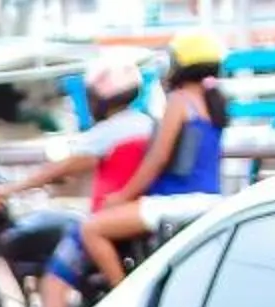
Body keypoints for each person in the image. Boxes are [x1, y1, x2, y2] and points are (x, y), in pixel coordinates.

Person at [0, 53, 154, 307]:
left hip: (105, 221)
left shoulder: (108, 132)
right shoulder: (145, 124)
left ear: (101, 96)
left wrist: (11, 188)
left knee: (54, 284)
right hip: (130, 219)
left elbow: (63, 168)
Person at [82, 30, 231, 291]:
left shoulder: (179, 100)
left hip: (176, 202)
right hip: (209, 200)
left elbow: (157, 158)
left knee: (92, 229)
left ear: (180, 66)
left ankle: (123, 300)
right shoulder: (213, 102)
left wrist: (123, 195)